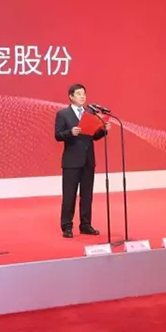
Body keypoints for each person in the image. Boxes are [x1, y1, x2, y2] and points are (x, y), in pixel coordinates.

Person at [54, 83, 111, 238]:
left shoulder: (90, 114)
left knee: (87, 195)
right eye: (79, 94)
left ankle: (85, 225)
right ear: (71, 96)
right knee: (69, 195)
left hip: (88, 160)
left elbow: (93, 136)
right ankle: (67, 226)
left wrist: (103, 131)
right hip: (71, 161)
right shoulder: (63, 114)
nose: (82, 97)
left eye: (84, 94)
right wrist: (70, 132)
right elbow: (58, 135)